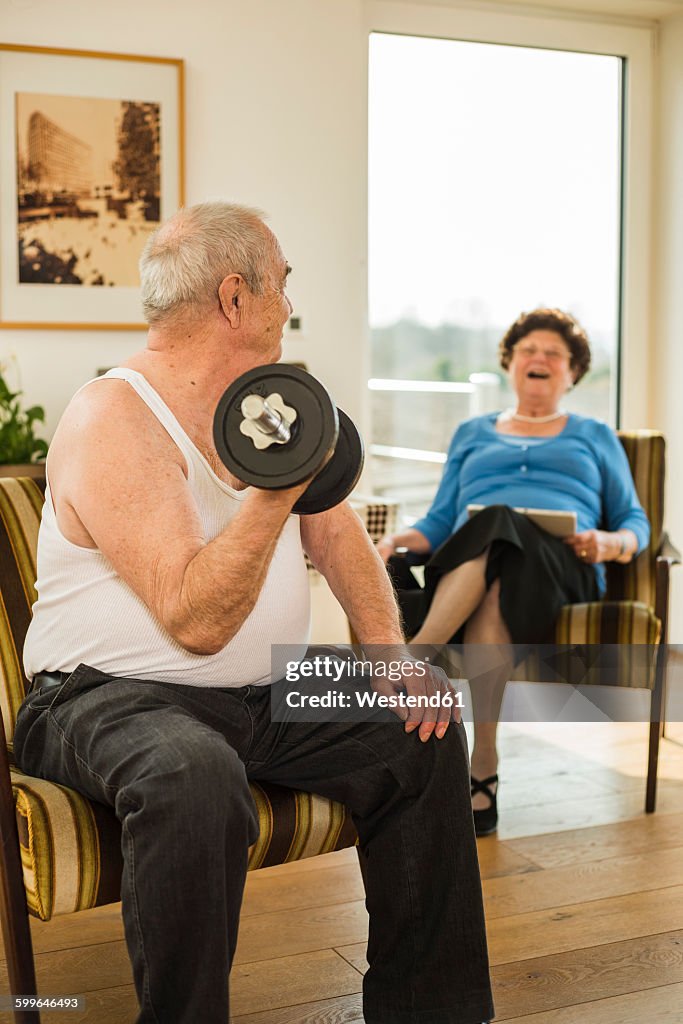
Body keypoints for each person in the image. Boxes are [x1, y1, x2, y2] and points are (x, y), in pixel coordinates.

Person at [12, 202, 494, 1024]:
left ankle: (433, 1012)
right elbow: (193, 621)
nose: (289, 306)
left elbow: (339, 540)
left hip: (259, 697)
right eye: (282, 286)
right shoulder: (116, 417)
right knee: (192, 774)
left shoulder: (269, 403)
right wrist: (274, 493)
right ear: (236, 298)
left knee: (424, 722)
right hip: (102, 699)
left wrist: (387, 658)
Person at [376, 308, 650, 836]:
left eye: (553, 354)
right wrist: (395, 539)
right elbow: (440, 520)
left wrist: (608, 543)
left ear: (573, 373)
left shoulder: (594, 435)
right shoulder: (471, 432)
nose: (539, 359)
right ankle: (485, 762)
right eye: (528, 350)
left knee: (499, 520)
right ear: (510, 363)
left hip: (560, 570)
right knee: (494, 548)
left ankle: (412, 659)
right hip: (480, 568)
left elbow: (634, 520)